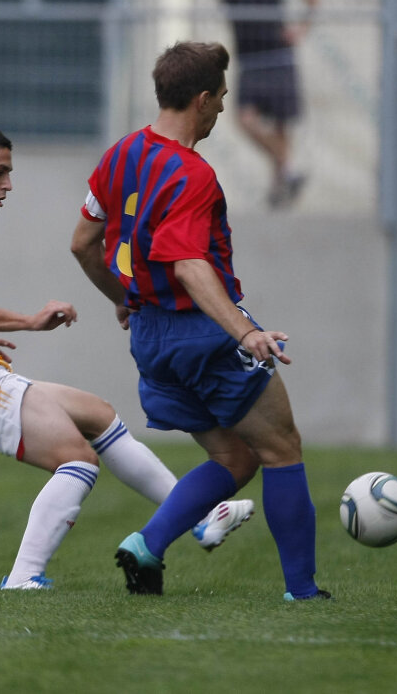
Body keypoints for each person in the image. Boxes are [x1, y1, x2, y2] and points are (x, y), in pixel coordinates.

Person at [0, 122, 253, 590]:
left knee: (98, 415)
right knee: (77, 460)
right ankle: (23, 578)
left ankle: (201, 521)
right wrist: (26, 320)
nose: (8, 185)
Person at [70, 41, 328, 600]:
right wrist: (246, 332)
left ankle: (146, 545)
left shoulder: (118, 156)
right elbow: (187, 263)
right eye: (221, 101)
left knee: (234, 457)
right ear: (203, 99)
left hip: (151, 340)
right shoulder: (193, 175)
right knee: (282, 448)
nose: (220, 113)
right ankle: (303, 593)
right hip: (203, 333)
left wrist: (124, 294)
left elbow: (83, 243)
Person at [119, 0, 320, 209]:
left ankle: (281, 182)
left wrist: (302, 29)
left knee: (281, 127)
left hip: (279, 56)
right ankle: (287, 168)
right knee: (245, 119)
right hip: (250, 59)